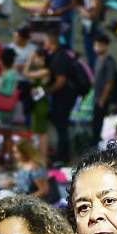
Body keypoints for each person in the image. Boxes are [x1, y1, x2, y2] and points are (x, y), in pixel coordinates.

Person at [45, 30, 80, 166]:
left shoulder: (59, 58)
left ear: (52, 43)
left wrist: (48, 91)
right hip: (66, 95)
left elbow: (61, 81)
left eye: (46, 42)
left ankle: (62, 155)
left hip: (64, 97)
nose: (45, 45)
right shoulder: (59, 55)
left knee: (61, 126)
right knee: (61, 125)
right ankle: (63, 153)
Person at [92, 33, 117, 143]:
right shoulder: (98, 59)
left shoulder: (109, 62)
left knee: (102, 125)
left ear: (105, 46)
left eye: (99, 45)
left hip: (104, 100)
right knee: (96, 124)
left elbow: (109, 82)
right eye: (95, 45)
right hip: (97, 97)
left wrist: (102, 100)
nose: (96, 48)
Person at [13, 139, 58, 204]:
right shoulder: (22, 165)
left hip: (32, 202)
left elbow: (44, 190)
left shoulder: (35, 168)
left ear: (25, 152)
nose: (14, 155)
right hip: (21, 197)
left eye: (16, 152)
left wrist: (25, 199)